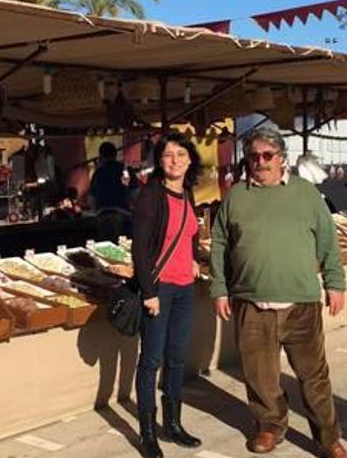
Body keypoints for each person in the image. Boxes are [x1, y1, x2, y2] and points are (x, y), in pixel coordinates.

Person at [209, 127, 347, 458]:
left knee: (314, 378)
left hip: (301, 302)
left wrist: (335, 283)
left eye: (267, 155)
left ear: (281, 157)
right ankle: (270, 426)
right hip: (251, 303)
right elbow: (219, 244)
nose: (261, 162)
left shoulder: (306, 194)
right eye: (254, 156)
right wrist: (219, 288)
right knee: (260, 376)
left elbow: (328, 241)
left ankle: (328, 438)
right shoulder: (236, 196)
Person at [131, 131, 204, 458]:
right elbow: (140, 249)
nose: (174, 161)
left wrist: (191, 260)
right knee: (151, 360)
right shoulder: (151, 195)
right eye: (168, 155)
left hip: (185, 289)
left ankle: (173, 423)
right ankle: (148, 433)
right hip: (159, 289)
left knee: (177, 358)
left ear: (190, 160)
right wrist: (149, 291)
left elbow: (188, 235)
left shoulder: (187, 192)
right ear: (159, 161)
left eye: (181, 154)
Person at [89, 142, 129, 211]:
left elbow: (92, 198)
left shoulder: (98, 173)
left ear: (101, 156)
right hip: (123, 212)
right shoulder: (125, 170)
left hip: (103, 213)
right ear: (115, 155)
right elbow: (134, 194)